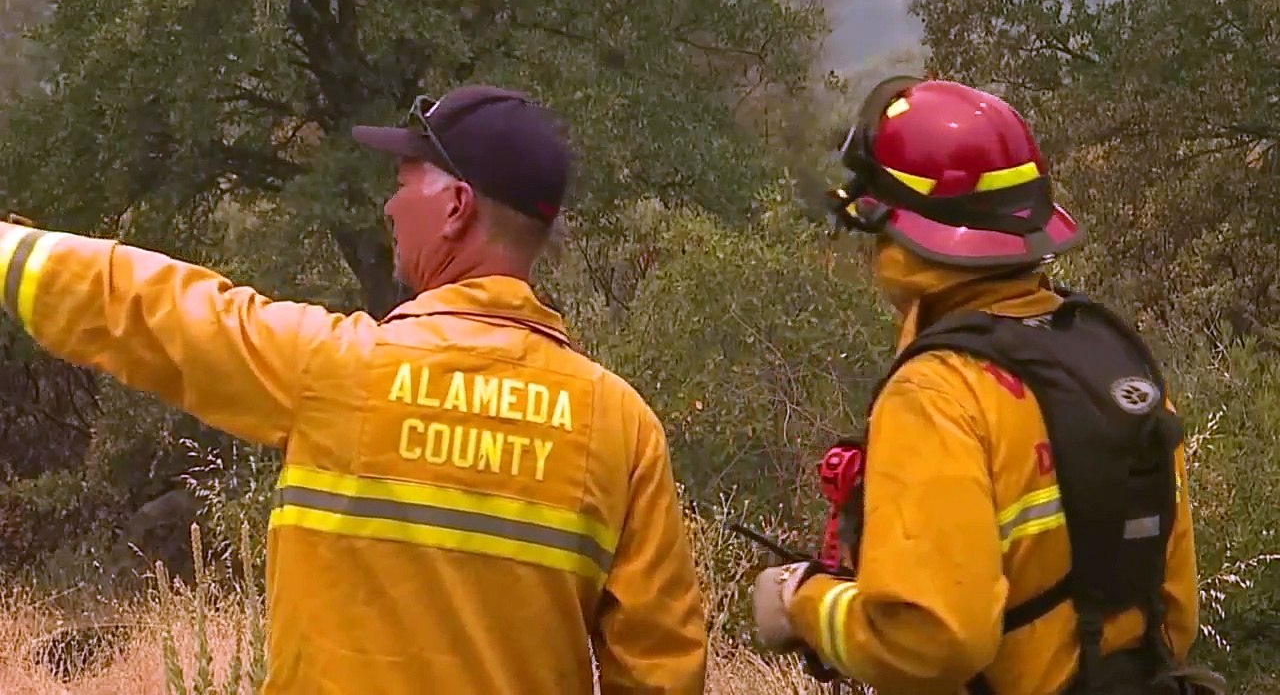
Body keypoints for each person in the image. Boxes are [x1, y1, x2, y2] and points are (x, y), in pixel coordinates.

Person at [0, 84, 707, 694]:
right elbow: (663, 673)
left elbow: (150, 308)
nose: (390, 208)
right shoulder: (618, 426)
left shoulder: (337, 369)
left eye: (403, 183)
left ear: (457, 206)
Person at [748, 77, 1221, 694]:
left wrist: (803, 604)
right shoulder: (1109, 356)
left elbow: (933, 639)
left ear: (899, 232)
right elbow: (1174, 610)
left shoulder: (938, 394)